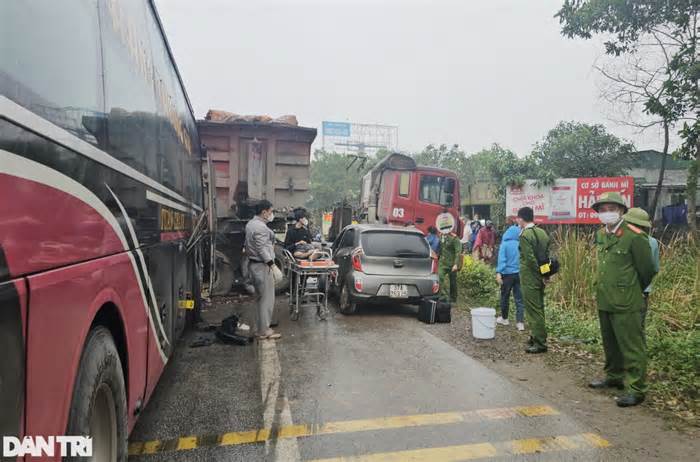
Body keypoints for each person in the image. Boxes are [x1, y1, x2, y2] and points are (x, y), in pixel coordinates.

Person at [589, 193, 656, 407]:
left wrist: (631, 289)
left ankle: (637, 389)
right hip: (605, 298)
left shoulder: (635, 236)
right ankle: (614, 377)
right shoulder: (601, 235)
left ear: (621, 211)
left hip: (627, 300)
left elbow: (647, 270)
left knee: (632, 345)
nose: (606, 212)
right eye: (602, 209)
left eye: (611, 208)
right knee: (610, 343)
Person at [244, 200, 281, 340]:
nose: (271, 215)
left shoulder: (251, 224)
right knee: (266, 299)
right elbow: (262, 249)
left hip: (254, 265)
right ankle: (264, 331)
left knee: (260, 299)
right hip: (262, 266)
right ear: (264, 212)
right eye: (270, 212)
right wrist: (272, 265)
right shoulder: (260, 227)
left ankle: (260, 328)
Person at [516, 207, 550, 354]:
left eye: (517, 218)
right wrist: (545, 275)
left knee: (533, 310)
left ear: (521, 218)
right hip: (540, 276)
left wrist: (537, 274)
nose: (517, 221)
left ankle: (540, 343)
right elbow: (546, 257)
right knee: (539, 307)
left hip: (530, 277)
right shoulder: (542, 233)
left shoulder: (525, 235)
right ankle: (536, 335)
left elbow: (530, 259)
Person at [622, 208, 660, 332]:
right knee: (639, 325)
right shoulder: (652, 242)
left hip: (622, 289)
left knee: (622, 324)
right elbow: (654, 268)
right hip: (643, 291)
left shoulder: (620, 239)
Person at [496, 224, 525, 331]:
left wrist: (499, 272)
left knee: (505, 297)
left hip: (507, 275)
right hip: (519, 274)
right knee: (519, 299)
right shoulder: (521, 244)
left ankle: (504, 318)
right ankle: (520, 322)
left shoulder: (505, 244)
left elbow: (502, 260)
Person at [438, 224, 462, 303]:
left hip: (452, 263)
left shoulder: (454, 238)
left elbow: (458, 252)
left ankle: (453, 298)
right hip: (442, 263)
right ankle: (444, 295)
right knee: (440, 277)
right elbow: (440, 249)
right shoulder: (440, 236)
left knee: (453, 282)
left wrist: (455, 264)